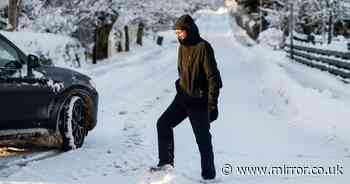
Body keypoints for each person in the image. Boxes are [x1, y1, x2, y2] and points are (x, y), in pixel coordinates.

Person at [152, 14, 223, 180]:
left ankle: (209, 175)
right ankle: (165, 163)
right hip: (183, 97)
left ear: (189, 30)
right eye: (176, 33)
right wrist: (181, 85)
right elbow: (181, 70)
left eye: (180, 32)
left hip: (199, 102)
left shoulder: (203, 47)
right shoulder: (182, 47)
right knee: (163, 123)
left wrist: (212, 105)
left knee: (203, 141)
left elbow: (214, 78)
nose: (178, 36)